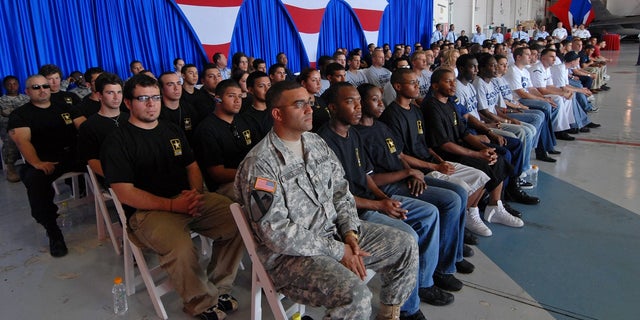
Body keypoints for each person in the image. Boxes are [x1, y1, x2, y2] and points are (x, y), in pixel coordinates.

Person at [234, 80, 418, 319]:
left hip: (334, 234)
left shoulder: (315, 143)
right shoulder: (260, 163)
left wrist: (350, 232)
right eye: (300, 105)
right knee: (357, 297)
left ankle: (390, 314)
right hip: (291, 258)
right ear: (277, 114)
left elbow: (341, 191)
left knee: (405, 245)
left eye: (309, 103)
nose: (310, 110)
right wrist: (338, 250)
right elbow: (276, 233)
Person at [101, 74, 243, 320]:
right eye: (143, 98)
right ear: (128, 103)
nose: (151, 104)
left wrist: (196, 193)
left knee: (238, 220)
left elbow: (192, 166)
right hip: (147, 213)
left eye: (155, 98)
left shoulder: (170, 129)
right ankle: (200, 302)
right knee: (181, 247)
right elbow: (125, 191)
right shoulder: (117, 141)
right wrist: (171, 204)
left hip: (186, 199)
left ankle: (219, 288)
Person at [355, 83, 473, 303]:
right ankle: (427, 278)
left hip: (405, 177)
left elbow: (399, 155)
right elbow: (371, 180)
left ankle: (447, 261)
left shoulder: (381, 127)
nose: (381, 103)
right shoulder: (357, 135)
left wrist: (415, 172)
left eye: (381, 98)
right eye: (374, 100)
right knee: (445, 204)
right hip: (388, 186)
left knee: (458, 193)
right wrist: (407, 173)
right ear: (360, 102)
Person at [422, 68, 524, 228]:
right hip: (447, 153)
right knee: (484, 166)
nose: (453, 85)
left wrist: (484, 148)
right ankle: (471, 211)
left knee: (498, 158)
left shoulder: (450, 103)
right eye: (447, 81)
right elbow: (444, 144)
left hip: (459, 145)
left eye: (453, 81)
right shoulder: (431, 107)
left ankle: (495, 206)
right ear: (435, 86)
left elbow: (463, 133)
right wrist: (477, 154)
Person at [8, 74, 86, 257]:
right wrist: (36, 163)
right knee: (35, 181)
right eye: (36, 87)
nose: (42, 90)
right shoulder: (21, 114)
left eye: (44, 86)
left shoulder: (65, 107)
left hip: (72, 155)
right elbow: (22, 141)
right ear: (27, 91)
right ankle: (53, 232)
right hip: (45, 159)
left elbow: (84, 127)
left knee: (107, 163)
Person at [193, 79, 261, 200]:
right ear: (218, 99)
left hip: (253, 175)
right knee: (263, 195)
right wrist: (251, 173)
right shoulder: (207, 129)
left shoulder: (244, 121)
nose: (237, 101)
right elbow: (217, 174)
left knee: (277, 185)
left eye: (240, 96)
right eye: (231, 96)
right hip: (227, 184)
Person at [504, 47, 562, 161]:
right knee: (545, 108)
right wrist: (543, 100)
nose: (530, 57)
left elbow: (531, 89)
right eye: (527, 54)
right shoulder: (513, 71)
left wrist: (543, 97)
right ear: (518, 57)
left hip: (525, 98)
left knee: (547, 106)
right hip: (518, 100)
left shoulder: (525, 71)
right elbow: (522, 93)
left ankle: (545, 146)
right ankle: (540, 147)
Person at [78, 72, 128, 179]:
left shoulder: (131, 118)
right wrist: (119, 176)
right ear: (99, 95)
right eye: (110, 93)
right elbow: (92, 161)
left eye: (119, 92)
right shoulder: (89, 126)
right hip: (115, 176)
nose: (116, 97)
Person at [158, 71, 203, 145]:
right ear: (161, 89)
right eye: (170, 84)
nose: (176, 88)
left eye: (178, 83)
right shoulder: (157, 112)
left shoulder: (189, 108)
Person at [0, 75, 30, 182]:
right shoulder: (1, 101)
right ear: (4, 86)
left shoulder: (26, 98)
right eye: (9, 84)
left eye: (14, 84)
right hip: (9, 129)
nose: (12, 86)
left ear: (18, 85)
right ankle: (10, 167)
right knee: (11, 136)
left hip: (28, 127)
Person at [241, 71, 273, 136]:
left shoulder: (276, 109)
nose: (267, 89)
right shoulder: (246, 117)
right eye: (261, 86)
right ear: (250, 90)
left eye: (269, 85)